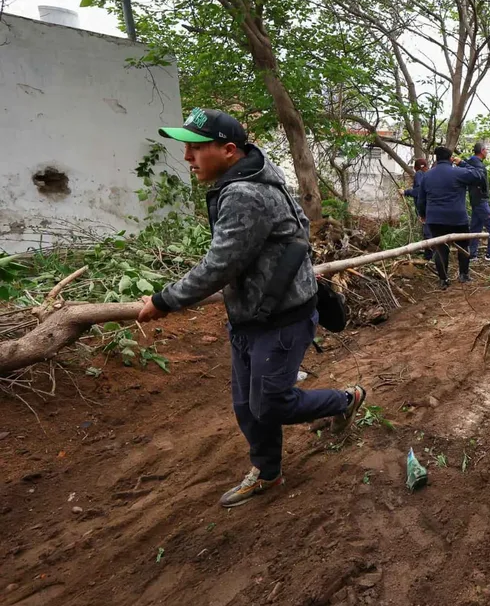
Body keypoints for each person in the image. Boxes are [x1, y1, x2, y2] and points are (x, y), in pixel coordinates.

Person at [136, 107, 366, 508]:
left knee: (270, 403)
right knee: (246, 406)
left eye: (195, 148)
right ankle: (267, 472)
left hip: (280, 318)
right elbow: (276, 238)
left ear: (228, 150)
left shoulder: (244, 193)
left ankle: (345, 400)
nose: (187, 157)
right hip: (251, 314)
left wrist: (163, 301)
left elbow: (220, 264)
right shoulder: (256, 172)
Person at [417, 146, 482, 289]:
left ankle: (443, 280)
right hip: (457, 218)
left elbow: (421, 200)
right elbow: (478, 175)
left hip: (435, 219)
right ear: (450, 158)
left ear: (437, 158)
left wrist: (423, 215)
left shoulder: (427, 176)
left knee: (440, 249)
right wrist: (462, 163)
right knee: (463, 246)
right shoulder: (459, 172)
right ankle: (463, 275)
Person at [460, 142, 490, 262]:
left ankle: (472, 254)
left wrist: (462, 163)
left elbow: (466, 166)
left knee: (475, 227)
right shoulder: (476, 163)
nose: (487, 152)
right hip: (480, 200)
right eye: (486, 150)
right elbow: (479, 176)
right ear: (482, 151)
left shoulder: (472, 162)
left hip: (477, 199)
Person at [402, 158, 433, 260]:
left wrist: (405, 192)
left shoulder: (419, 174)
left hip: (426, 209)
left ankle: (428, 257)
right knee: (432, 232)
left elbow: (419, 191)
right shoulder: (430, 174)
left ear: (416, 167)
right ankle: (432, 254)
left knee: (427, 233)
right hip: (433, 207)